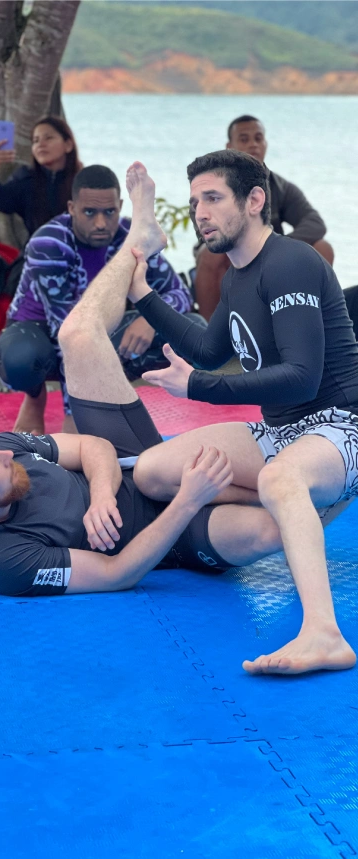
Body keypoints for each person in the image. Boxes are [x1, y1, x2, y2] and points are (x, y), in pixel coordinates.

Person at [0, 163, 279, 607]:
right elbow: (117, 572)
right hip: (170, 537)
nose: (3, 453)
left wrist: (102, 495)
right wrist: (187, 501)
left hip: (132, 462)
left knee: (78, 335)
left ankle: (140, 239)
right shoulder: (6, 561)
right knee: (268, 528)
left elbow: (93, 448)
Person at [123, 151, 358, 676]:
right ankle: (297, 507)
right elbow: (208, 349)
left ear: (254, 201)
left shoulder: (292, 261)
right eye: (194, 202)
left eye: (212, 198)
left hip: (343, 425)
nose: (201, 212)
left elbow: (303, 376)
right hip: (281, 432)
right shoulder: (236, 276)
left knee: (279, 477)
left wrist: (199, 388)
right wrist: (142, 295)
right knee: (153, 470)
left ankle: (324, 633)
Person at [0, 164, 204, 435]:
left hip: (99, 329)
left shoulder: (133, 236)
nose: (101, 223)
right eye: (89, 212)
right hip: (41, 334)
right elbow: (66, 334)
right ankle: (35, 397)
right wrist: (75, 417)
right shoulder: (49, 244)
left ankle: (111, 389)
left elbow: (180, 295)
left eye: (109, 212)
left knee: (194, 330)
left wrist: (151, 319)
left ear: (119, 205)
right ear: (71, 208)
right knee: (20, 360)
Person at [194, 114, 333, 320]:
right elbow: (207, 231)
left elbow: (314, 223)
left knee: (322, 247)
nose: (253, 144)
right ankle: (208, 337)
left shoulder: (279, 186)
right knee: (210, 253)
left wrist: (277, 247)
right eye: (244, 139)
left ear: (265, 144)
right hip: (231, 256)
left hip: (270, 258)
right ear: (229, 146)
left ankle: (308, 323)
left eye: (258, 138)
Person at [0, 115, 82, 237]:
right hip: (37, 252)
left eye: (48, 138)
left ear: (68, 145)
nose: (41, 144)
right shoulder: (27, 179)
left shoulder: (85, 181)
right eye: (35, 141)